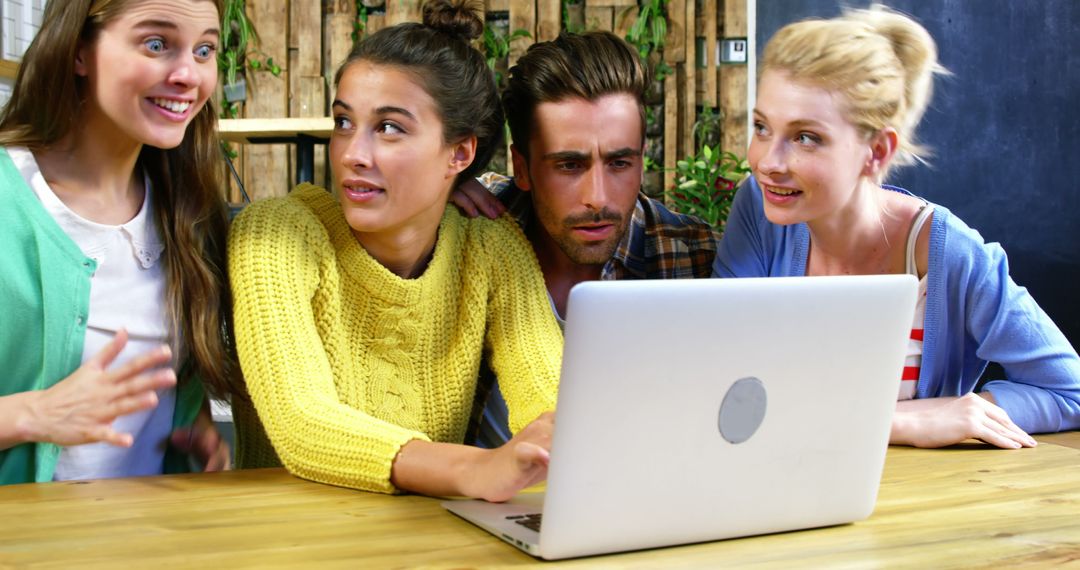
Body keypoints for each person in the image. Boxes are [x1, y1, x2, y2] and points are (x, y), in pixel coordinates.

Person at [227, 0, 563, 501]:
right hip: (286, 532)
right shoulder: (276, 235)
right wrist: (473, 469)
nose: (352, 155)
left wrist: (554, 440)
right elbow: (302, 421)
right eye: (343, 122)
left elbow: (549, 396)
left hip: (422, 533)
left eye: (389, 128)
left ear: (459, 152)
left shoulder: (489, 247)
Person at [713, 4, 1080, 448]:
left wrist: (968, 409)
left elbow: (1070, 390)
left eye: (805, 137)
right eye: (761, 127)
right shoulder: (759, 212)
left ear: (878, 151)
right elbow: (720, 384)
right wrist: (901, 421)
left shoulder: (951, 254)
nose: (767, 162)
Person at [0, 0, 234, 485]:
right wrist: (29, 414)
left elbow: (164, 376)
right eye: (156, 44)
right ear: (78, 51)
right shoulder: (10, 198)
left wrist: (193, 425)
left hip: (147, 527)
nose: (188, 75)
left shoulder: (187, 210)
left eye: (204, 50)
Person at [453, 31, 720, 447]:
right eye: (569, 165)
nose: (598, 197)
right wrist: (428, 196)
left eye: (619, 162)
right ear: (521, 168)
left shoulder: (696, 259)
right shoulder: (467, 226)